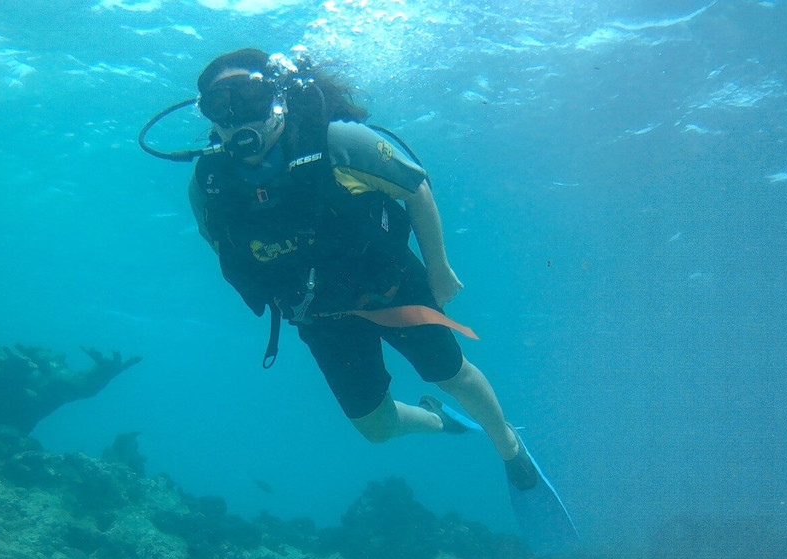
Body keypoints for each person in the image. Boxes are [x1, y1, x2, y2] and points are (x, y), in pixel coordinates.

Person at [188, 48, 537, 490]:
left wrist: (439, 269)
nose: (238, 117)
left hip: (392, 290)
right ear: (209, 117)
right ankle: (435, 420)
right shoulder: (209, 185)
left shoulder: (338, 142)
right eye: (221, 106)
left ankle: (508, 447)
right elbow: (219, 241)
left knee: (451, 374)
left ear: (278, 97)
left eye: (251, 98)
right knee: (376, 429)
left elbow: (416, 188)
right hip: (320, 316)